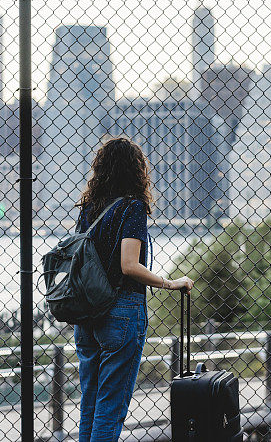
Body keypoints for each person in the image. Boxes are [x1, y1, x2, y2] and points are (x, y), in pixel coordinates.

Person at [73, 137, 194, 442]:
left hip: (86, 315)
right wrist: (170, 283)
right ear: (137, 170)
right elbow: (129, 265)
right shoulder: (133, 207)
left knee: (89, 405)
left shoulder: (89, 207)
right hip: (121, 312)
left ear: (100, 168)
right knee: (111, 408)